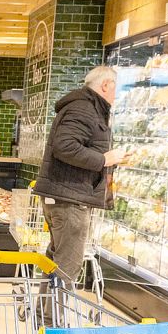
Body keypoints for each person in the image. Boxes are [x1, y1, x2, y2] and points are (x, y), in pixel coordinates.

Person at [33, 66, 126, 311]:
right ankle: (53, 323)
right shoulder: (84, 108)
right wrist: (104, 160)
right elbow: (64, 146)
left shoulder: (85, 107)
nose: (116, 94)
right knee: (67, 264)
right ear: (105, 85)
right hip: (70, 198)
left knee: (57, 259)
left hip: (66, 195)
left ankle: (45, 316)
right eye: (115, 88)